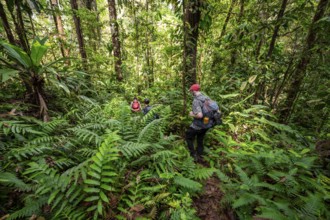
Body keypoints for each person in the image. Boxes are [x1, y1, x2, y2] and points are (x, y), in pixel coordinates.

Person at [186, 84, 212, 163]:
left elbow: (199, 115)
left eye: (191, 91)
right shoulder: (207, 98)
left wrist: (192, 114)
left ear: (193, 91)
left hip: (198, 125)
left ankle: (193, 155)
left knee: (188, 137)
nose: (191, 93)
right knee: (200, 139)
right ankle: (200, 155)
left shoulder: (196, 101)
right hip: (206, 124)